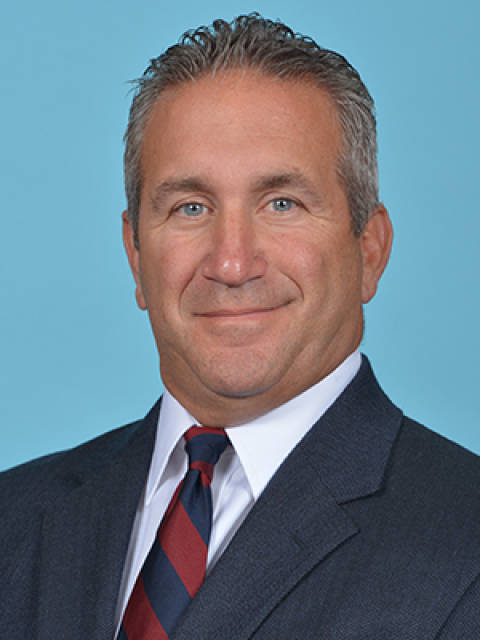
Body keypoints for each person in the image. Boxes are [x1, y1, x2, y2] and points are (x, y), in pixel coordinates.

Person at [1, 13, 479, 640]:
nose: (231, 264)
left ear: (370, 250)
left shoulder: (464, 542)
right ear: (136, 257)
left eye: (282, 204)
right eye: (190, 207)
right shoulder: (14, 520)